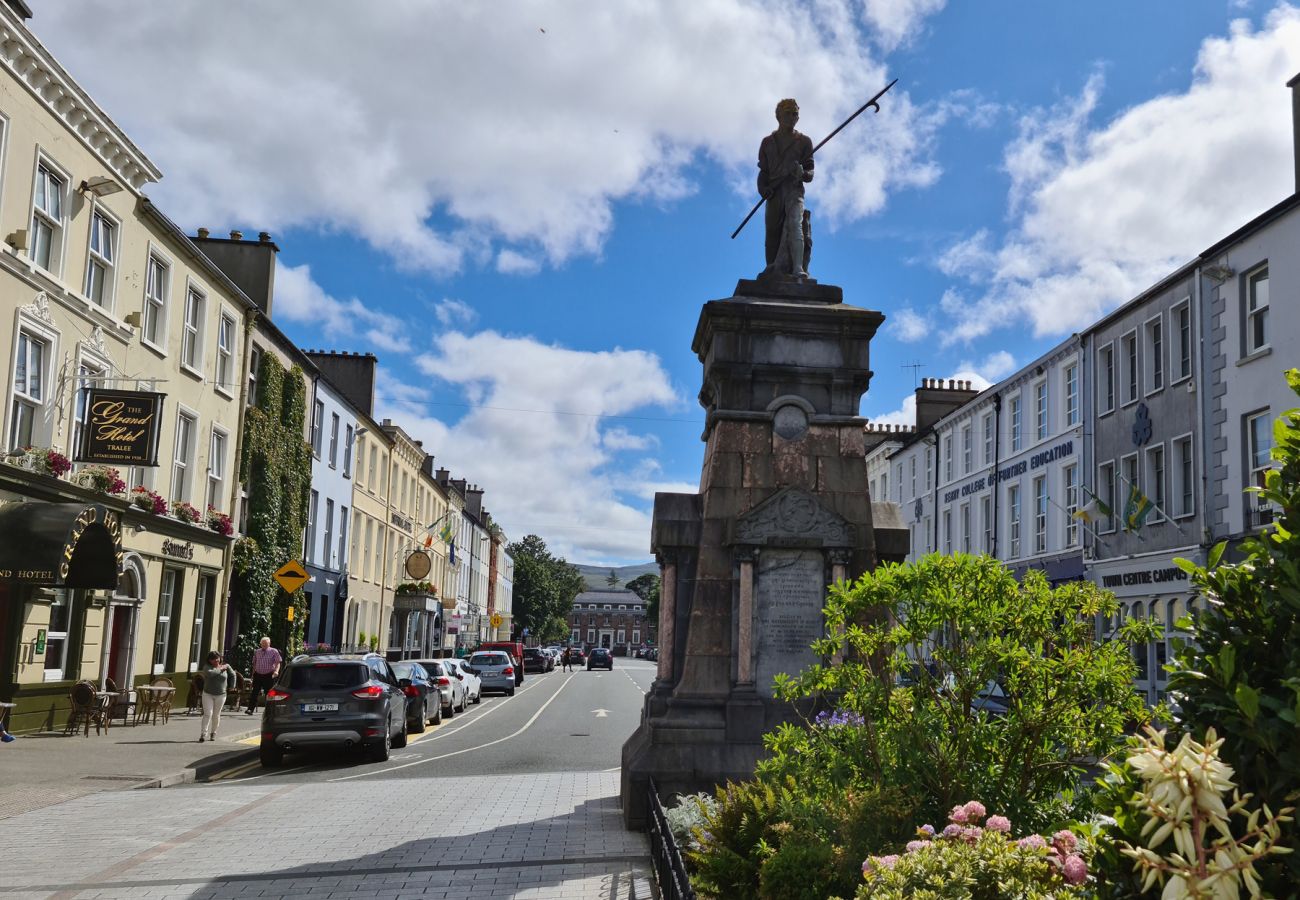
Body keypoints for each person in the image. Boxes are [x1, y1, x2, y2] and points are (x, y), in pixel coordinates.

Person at [757, 98, 814, 279]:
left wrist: (802, 174)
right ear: (779, 116)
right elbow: (763, 172)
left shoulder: (804, 141)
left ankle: (798, 268)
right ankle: (772, 268)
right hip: (774, 193)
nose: (792, 117)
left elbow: (810, 172)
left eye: (795, 114)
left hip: (793, 189)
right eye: (788, 113)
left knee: (795, 223)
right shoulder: (767, 142)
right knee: (772, 231)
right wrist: (763, 189)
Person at [199, 651, 234, 742]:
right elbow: (211, 674)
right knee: (208, 714)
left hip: (221, 694)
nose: (216, 660)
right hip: (208, 694)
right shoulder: (207, 667)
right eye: (213, 659)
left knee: (216, 714)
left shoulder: (226, 666)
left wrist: (232, 686)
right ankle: (203, 733)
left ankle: (213, 733)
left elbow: (233, 674)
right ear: (209, 660)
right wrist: (221, 669)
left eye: (217, 658)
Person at [246, 636, 282, 715]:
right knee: (254, 692)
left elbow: (278, 662)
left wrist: (276, 671)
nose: (264, 645)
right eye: (262, 644)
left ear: (269, 644)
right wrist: (253, 674)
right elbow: (254, 663)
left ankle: (269, 710)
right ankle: (250, 709)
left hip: (268, 675)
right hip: (258, 674)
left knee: (269, 693)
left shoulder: (274, 651)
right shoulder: (257, 651)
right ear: (260, 644)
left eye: (266, 644)